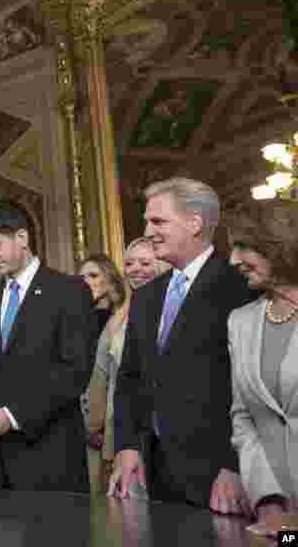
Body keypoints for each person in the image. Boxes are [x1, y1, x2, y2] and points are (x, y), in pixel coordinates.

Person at [110, 177, 257, 514]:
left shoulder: (238, 287)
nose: (147, 230)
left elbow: (246, 387)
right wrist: (128, 446)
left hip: (219, 475)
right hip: (155, 473)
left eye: (157, 221)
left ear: (195, 223)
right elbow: (130, 378)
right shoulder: (146, 297)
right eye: (147, 221)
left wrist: (233, 464)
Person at [0, 200, 94, 492]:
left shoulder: (69, 291)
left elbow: (74, 371)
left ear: (22, 238)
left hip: (49, 457)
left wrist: (12, 416)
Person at [224, 200, 298, 531]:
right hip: (276, 514)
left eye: (243, 247)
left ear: (278, 243)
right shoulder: (240, 322)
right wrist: (267, 500)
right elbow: (243, 416)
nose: (233, 260)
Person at [84, 238, 167, 494]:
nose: (136, 269)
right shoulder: (117, 319)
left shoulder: (176, 309)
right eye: (129, 263)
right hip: (123, 435)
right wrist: (93, 427)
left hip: (170, 436)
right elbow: (100, 378)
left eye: (145, 262)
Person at [77, 253, 126, 495]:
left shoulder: (121, 317)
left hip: (113, 419)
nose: (86, 282)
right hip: (85, 420)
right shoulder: (78, 318)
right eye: (82, 277)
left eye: (94, 275)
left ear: (111, 279)